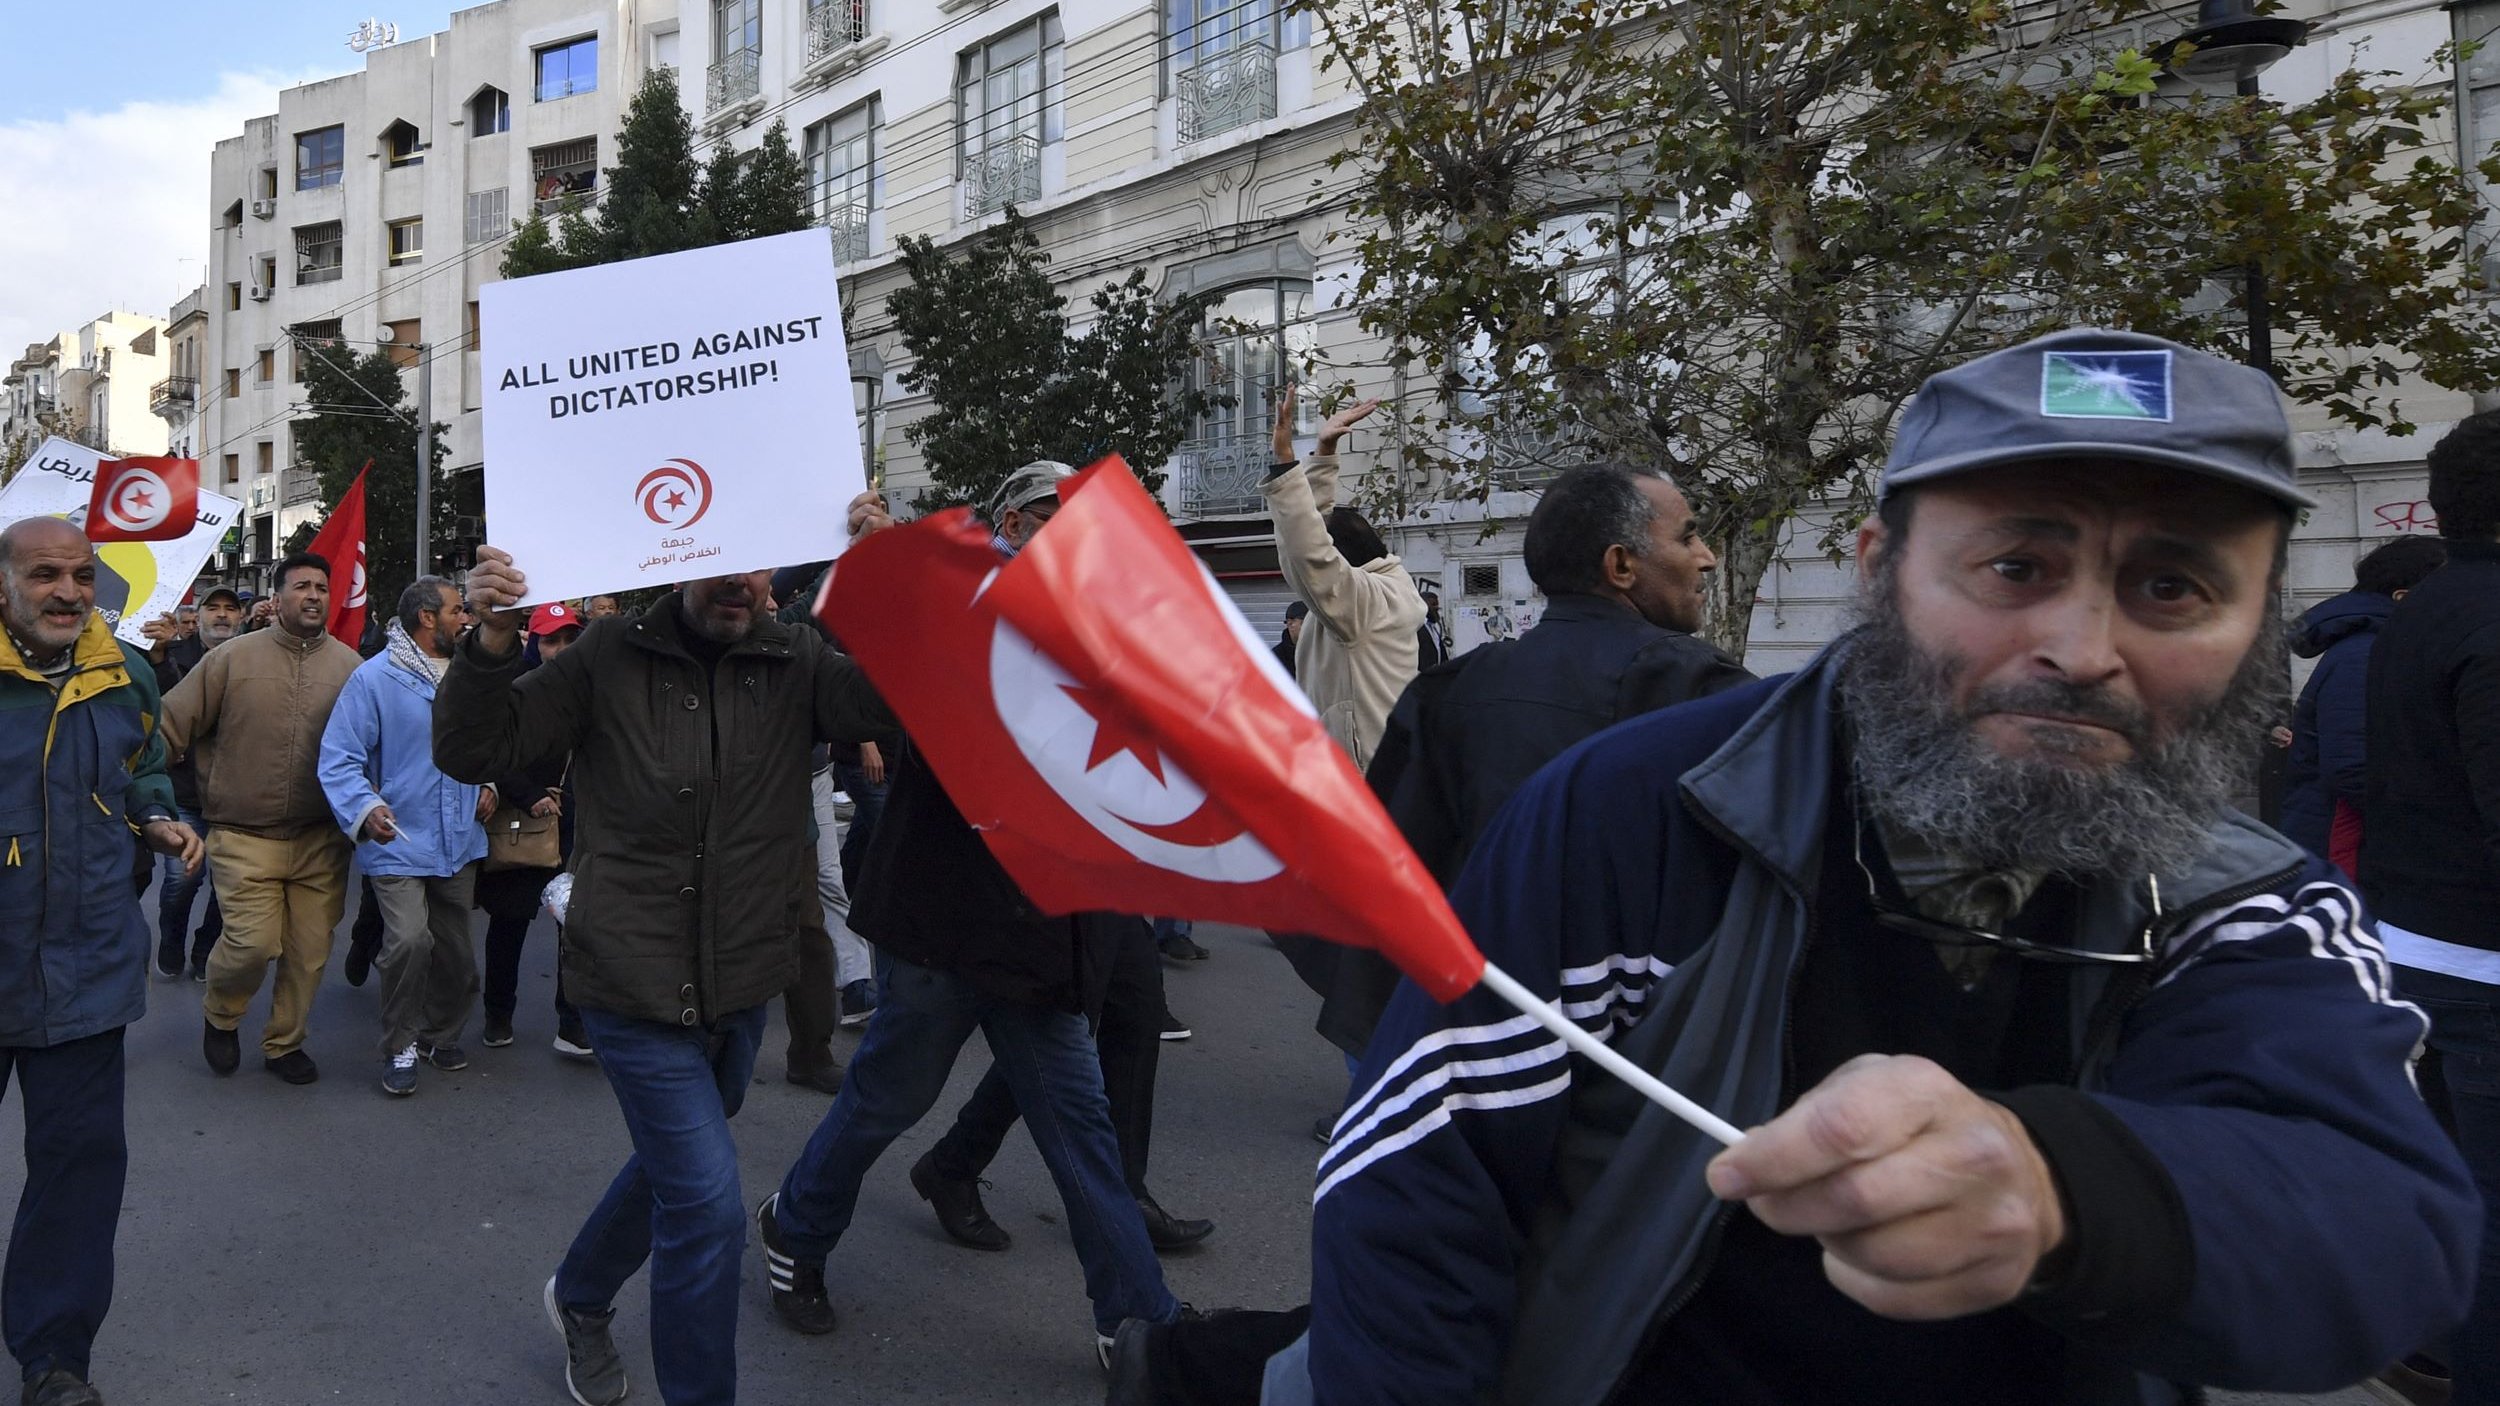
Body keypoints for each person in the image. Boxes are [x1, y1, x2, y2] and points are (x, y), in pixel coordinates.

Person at [1302, 330, 2475, 1406]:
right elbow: (1414, 1200)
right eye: (2015, 568)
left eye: (2172, 587)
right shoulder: (1633, 813)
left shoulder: (2245, 899)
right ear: (1880, 570)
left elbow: (2387, 1223)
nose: (2082, 650)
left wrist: (2062, 1189)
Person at [1107, 464, 1755, 1406]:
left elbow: (1386, 884)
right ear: (1621, 564)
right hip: (1632, 1071)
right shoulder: (1706, 699)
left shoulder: (1460, 690)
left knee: (1469, 1288)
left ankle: (1186, 1367)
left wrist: (1392, 1042)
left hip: (1465, 1053)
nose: (1704, 556)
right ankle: (1201, 1370)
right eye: (1688, 534)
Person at [434, 490, 898, 1406]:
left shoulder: (796, 656)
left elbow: (903, 701)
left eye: (761, 562)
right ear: (677, 552)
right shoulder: (607, 655)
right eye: (723, 558)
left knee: (677, 1168)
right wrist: (491, 643)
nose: (739, 580)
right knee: (706, 1206)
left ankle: (580, 1294)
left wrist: (890, 577)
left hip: (741, 979)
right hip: (630, 979)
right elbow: (470, 747)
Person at [755, 462, 1185, 1365]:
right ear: (1013, 521)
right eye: (1049, 517)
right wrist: (876, 561)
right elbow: (861, 640)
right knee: (888, 1097)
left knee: (1081, 1130)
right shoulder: (967, 604)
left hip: (1041, 936)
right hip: (949, 920)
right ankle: (795, 1228)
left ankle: (1139, 1324)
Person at [0, 517, 200, 1406]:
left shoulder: (128, 671)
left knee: (78, 1172)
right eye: (46, 575)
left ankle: (54, 1360)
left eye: (81, 575)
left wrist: (157, 815)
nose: (68, 592)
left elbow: (144, 765)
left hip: (86, 969)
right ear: (5, 582)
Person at [2365, 408, 2500, 1406]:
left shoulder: (2424, 605)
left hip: (2426, 940)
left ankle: (2443, 1352)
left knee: (2467, 1183)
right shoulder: (2487, 617)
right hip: (2482, 957)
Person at [161, 552, 360, 1086]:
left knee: (309, 953)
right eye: (302, 586)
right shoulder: (232, 659)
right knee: (251, 945)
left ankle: (284, 1044)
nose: (314, 595)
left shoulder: (351, 668)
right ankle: (221, 1015)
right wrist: (141, 794)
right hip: (242, 836)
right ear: (277, 598)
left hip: (322, 841)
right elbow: (171, 724)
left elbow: (376, 748)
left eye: (322, 586)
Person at [320, 577, 492, 1097]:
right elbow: (339, 757)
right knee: (409, 942)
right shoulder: (374, 679)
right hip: (397, 836)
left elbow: (492, 741)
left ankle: (442, 1031)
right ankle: (401, 1043)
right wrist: (365, 807)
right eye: (458, 610)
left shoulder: (472, 675)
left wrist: (490, 782)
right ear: (426, 618)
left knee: (458, 952)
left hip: (459, 837)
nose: (466, 619)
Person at [1264, 387, 1425, 771]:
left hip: (1365, 781)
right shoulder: (1379, 589)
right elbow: (1304, 549)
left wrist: (1286, 463)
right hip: (1365, 772)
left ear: (1343, 562)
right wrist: (1323, 454)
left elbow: (1309, 553)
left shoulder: (1368, 604)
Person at [2279, 536, 2447, 878]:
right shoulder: (2365, 654)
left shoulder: (2380, 646)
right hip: (2342, 847)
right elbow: (2351, 767)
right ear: (2404, 597)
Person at [476, 602, 587, 1056]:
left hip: (576, 829)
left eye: (567, 639)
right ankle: (497, 1014)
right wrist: (530, 794)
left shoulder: (594, 690)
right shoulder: (514, 692)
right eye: (549, 639)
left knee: (576, 929)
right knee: (509, 925)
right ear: (534, 642)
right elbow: (492, 757)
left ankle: (572, 1022)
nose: (559, 649)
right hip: (525, 826)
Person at [139, 586, 242, 980]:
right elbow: (158, 705)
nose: (221, 616)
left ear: (241, 616)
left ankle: (205, 950)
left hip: (234, 795)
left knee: (229, 885)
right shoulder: (173, 655)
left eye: (230, 609)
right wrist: (161, 655)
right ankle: (172, 934)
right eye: (212, 608)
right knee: (183, 879)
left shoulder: (253, 655)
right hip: (183, 792)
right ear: (197, 617)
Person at [1272, 601, 1307, 680]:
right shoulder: (1275, 658)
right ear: (1290, 624)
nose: (1309, 628)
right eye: (1304, 623)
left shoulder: (1319, 653)